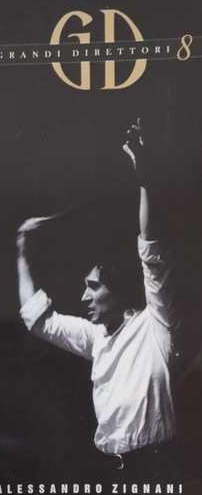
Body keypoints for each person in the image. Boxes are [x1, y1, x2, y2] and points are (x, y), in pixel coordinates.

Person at [16, 120, 181, 474]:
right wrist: (22, 252)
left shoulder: (155, 324)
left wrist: (145, 180)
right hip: (112, 472)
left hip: (157, 467)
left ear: (118, 292)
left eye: (93, 287)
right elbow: (37, 320)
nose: (83, 297)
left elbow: (151, 251)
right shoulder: (96, 339)